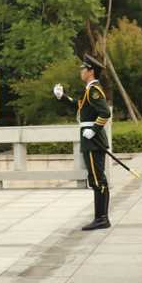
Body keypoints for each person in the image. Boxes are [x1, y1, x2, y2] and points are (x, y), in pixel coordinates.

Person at [54, 54, 112, 231]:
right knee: (95, 179)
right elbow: (80, 105)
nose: (81, 71)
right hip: (90, 139)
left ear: (91, 71)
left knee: (98, 179)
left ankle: (102, 218)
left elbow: (105, 113)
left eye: (83, 69)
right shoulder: (88, 90)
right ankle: (100, 218)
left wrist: (93, 129)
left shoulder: (94, 90)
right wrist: (63, 97)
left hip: (93, 140)